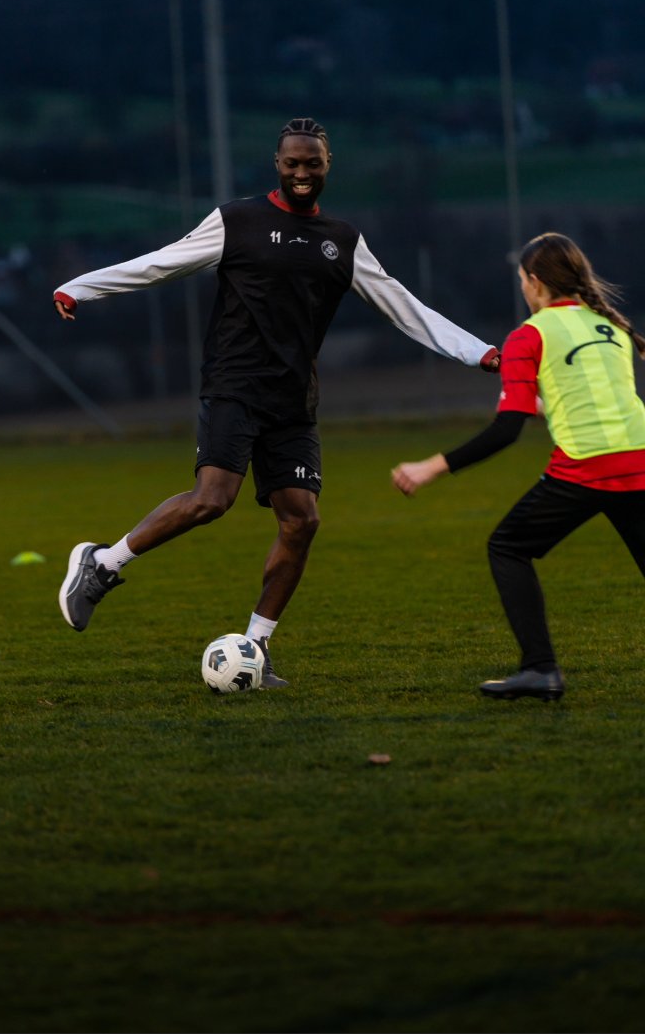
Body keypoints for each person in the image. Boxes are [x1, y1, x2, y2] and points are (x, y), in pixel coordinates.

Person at [53, 117, 500, 687]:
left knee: (301, 520)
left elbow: (404, 308)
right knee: (212, 500)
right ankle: (102, 564)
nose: (302, 172)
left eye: (312, 163)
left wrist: (482, 353)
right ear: (277, 164)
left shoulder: (343, 241)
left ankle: (257, 648)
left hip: (293, 400)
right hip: (234, 384)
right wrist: (81, 287)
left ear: (328, 165)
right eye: (292, 163)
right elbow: (161, 262)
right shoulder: (236, 221)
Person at [392, 231, 645, 702]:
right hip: (640, 464)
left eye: (522, 281)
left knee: (507, 547)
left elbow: (506, 430)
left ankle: (540, 670)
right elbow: (597, 401)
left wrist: (432, 466)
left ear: (534, 282)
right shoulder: (611, 327)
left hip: (585, 469)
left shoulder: (530, 335)